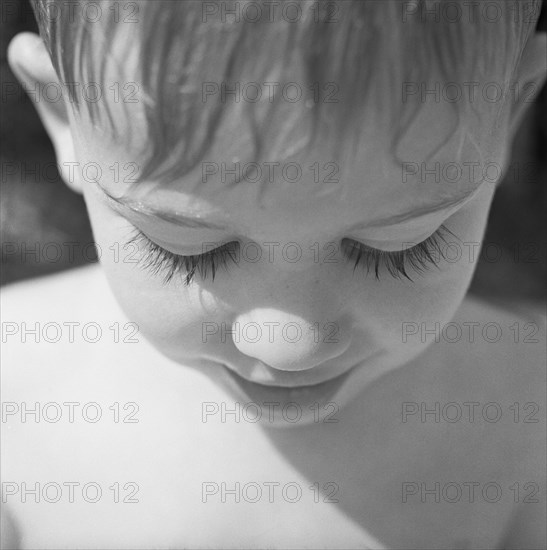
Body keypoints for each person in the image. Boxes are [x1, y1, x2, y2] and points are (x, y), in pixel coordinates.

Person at [1, 1, 545, 547]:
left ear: (510, 114)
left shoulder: (526, 419)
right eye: (188, 250)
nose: (289, 345)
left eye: (394, 249)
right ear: (64, 115)